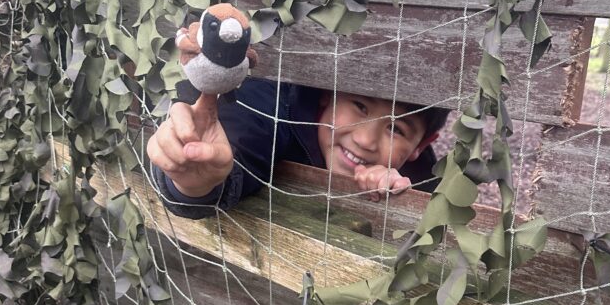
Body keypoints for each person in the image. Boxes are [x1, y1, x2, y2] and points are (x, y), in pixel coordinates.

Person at [148, 78, 450, 218]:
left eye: (395, 129)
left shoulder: (422, 173)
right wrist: (195, 183)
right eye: (359, 106)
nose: (365, 140)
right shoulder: (273, 110)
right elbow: (241, 141)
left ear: (420, 146)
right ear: (327, 96)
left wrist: (394, 194)